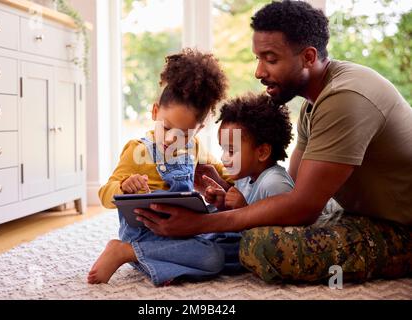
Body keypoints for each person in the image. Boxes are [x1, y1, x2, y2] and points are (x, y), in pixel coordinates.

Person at [135, 0, 412, 283]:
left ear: (308, 57)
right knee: (246, 229)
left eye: (270, 58)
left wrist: (199, 224)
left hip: (401, 227)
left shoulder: (346, 97)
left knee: (262, 246)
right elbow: (288, 194)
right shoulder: (313, 104)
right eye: (258, 58)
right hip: (357, 212)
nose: (258, 71)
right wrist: (228, 191)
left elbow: (301, 207)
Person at [88, 48, 233, 285]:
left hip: (183, 229)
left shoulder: (195, 147)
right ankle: (125, 251)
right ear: (155, 112)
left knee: (233, 238)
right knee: (214, 258)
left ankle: (165, 263)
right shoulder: (138, 150)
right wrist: (123, 187)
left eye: (183, 134)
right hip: (147, 235)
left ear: (198, 131)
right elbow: (105, 194)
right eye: (165, 128)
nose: (169, 140)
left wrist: (228, 188)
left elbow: (222, 173)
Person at [204, 92, 294, 212]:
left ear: (262, 152)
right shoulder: (244, 177)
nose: (223, 158)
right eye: (223, 149)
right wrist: (223, 204)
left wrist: (243, 209)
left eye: (231, 151)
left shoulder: (275, 184)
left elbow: (284, 228)